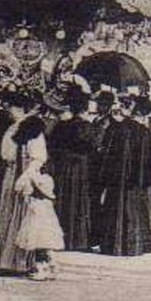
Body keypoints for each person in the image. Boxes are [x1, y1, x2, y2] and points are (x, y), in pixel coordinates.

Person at [93, 93, 151, 256]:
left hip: (118, 180)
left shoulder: (117, 128)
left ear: (132, 109)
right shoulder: (150, 134)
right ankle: (139, 245)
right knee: (138, 210)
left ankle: (114, 245)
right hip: (139, 183)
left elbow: (106, 153)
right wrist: (147, 176)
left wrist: (105, 176)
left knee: (116, 210)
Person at [0, 90, 48, 275]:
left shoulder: (32, 128)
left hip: (24, 176)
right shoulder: (9, 128)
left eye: (12, 107)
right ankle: (5, 261)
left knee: (23, 218)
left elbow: (38, 158)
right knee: (7, 215)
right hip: (9, 174)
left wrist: (26, 176)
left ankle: (22, 262)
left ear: (21, 108)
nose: (9, 110)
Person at [47, 83, 101, 252]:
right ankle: (79, 240)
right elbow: (94, 147)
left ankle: (61, 238)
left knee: (63, 201)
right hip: (81, 168)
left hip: (63, 167)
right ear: (84, 109)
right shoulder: (87, 127)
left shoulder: (60, 126)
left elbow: (51, 146)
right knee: (80, 203)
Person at [14, 166, 64, 280]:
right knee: (46, 243)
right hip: (45, 211)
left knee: (38, 242)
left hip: (37, 211)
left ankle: (42, 269)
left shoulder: (33, 177)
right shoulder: (48, 179)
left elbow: (20, 188)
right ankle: (52, 265)